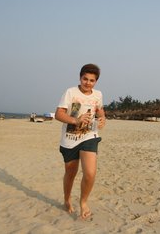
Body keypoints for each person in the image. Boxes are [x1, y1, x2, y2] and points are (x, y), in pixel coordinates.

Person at [55, 63, 106, 220]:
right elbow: (58, 114)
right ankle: (67, 199)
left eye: (92, 80)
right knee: (71, 173)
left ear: (96, 81)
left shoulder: (98, 94)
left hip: (89, 136)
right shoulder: (70, 92)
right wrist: (76, 120)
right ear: (80, 77)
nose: (88, 83)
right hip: (70, 140)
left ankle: (83, 202)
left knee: (90, 173)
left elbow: (100, 110)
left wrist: (103, 118)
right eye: (85, 79)